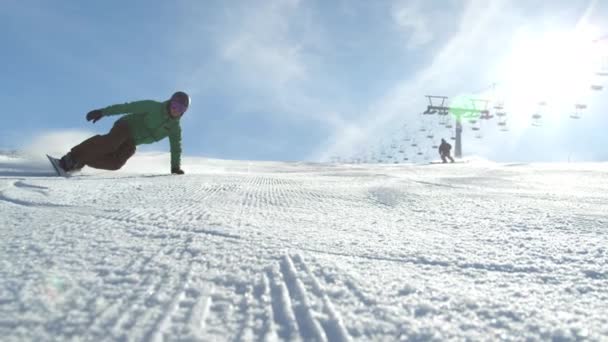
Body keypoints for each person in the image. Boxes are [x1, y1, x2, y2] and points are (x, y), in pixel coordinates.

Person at [58, 91, 190, 175]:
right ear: (170, 102)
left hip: (133, 141)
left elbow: (176, 148)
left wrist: (175, 168)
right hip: (126, 126)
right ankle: (72, 157)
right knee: (111, 144)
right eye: (174, 105)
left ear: (184, 111)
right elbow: (127, 107)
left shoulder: (174, 128)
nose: (176, 110)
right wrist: (103, 112)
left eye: (180, 109)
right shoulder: (153, 106)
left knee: (115, 164)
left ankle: (81, 161)